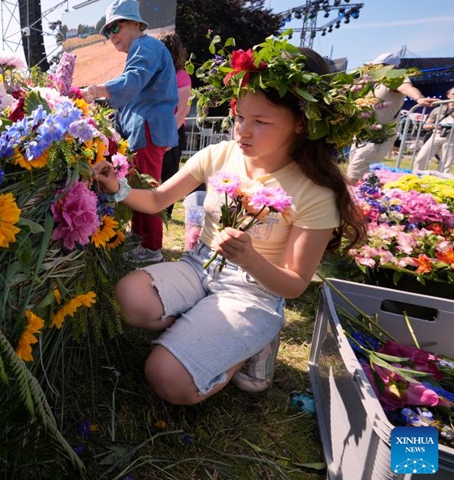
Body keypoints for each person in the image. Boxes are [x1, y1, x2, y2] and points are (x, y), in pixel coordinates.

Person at [92, 40, 371, 406]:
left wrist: (251, 259)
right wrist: (118, 187)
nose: (242, 132)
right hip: (199, 266)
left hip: (255, 290)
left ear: (302, 124)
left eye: (261, 122)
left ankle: (256, 343)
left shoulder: (314, 192)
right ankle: (206, 325)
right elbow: (158, 199)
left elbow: (294, 284)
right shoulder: (220, 154)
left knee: (165, 377)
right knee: (129, 298)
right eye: (240, 116)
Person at [84, 0, 177, 263]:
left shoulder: (145, 47)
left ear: (136, 24)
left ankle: (151, 248)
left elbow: (132, 81)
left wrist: (94, 91)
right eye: (108, 31)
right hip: (142, 131)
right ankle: (141, 241)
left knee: (147, 191)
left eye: (117, 27)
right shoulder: (141, 48)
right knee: (136, 188)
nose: (112, 36)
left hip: (148, 130)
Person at [345, 52, 435, 183]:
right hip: (362, 133)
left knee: (355, 172)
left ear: (388, 67)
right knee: (362, 172)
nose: (373, 68)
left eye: (377, 66)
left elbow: (405, 87)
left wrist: (418, 98)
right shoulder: (372, 81)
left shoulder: (395, 78)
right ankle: (365, 198)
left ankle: (349, 200)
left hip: (379, 135)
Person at [158, 32, 193, 219]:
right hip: (156, 130)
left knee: (169, 176)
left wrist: (169, 136)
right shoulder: (156, 75)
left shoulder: (181, 76)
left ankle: (166, 215)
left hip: (174, 130)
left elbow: (183, 110)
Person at [411, 86, 454, 173]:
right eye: (453, 94)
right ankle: (416, 175)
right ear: (449, 95)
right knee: (421, 158)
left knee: (446, 163)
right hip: (436, 135)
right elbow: (426, 125)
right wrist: (436, 126)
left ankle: (440, 180)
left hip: (452, 137)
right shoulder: (438, 109)